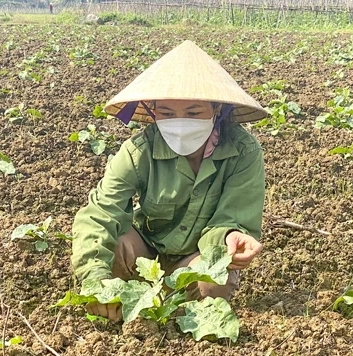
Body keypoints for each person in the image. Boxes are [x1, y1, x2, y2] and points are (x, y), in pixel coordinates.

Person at [71, 40, 268, 322]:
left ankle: (170, 308)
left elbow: (232, 219)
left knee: (214, 281)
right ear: (152, 113)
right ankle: (125, 303)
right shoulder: (139, 151)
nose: (179, 122)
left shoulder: (243, 152)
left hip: (197, 256)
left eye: (193, 113)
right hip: (145, 253)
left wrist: (229, 239)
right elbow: (100, 213)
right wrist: (95, 281)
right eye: (166, 113)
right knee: (109, 246)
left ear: (216, 110)